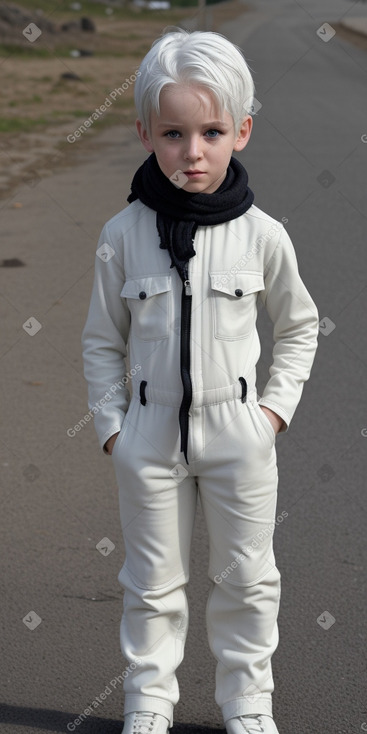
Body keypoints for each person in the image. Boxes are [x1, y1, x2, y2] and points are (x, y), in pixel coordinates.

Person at [82, 27, 319, 734]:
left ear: (241, 131)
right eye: (173, 133)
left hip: (238, 434)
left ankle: (247, 702)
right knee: (150, 585)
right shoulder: (122, 234)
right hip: (148, 435)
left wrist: (271, 413)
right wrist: (112, 430)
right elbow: (101, 340)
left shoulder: (264, 235)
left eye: (211, 131)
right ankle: (147, 702)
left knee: (248, 580)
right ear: (145, 133)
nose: (192, 152)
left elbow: (299, 325)